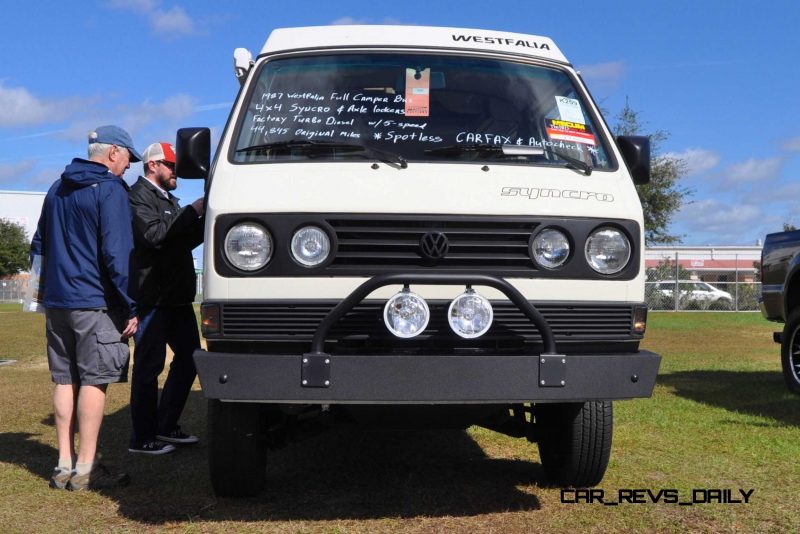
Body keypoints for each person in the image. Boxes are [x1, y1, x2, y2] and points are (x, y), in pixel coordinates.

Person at [31, 125, 142, 490]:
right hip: (94, 302)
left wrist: (42, 295)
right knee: (94, 380)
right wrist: (130, 306)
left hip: (58, 301)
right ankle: (86, 467)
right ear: (113, 153)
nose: (129, 166)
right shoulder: (109, 190)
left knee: (65, 379)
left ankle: (63, 463)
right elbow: (117, 254)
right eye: (128, 157)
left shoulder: (56, 188)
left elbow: (39, 245)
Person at [128, 141, 205, 454]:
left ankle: (165, 426)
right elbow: (155, 235)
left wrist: (207, 217)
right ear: (153, 165)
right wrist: (192, 210)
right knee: (148, 368)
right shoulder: (137, 197)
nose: (177, 173)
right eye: (172, 166)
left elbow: (182, 240)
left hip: (176, 298)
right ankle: (142, 438)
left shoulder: (168, 199)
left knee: (189, 361)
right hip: (153, 300)